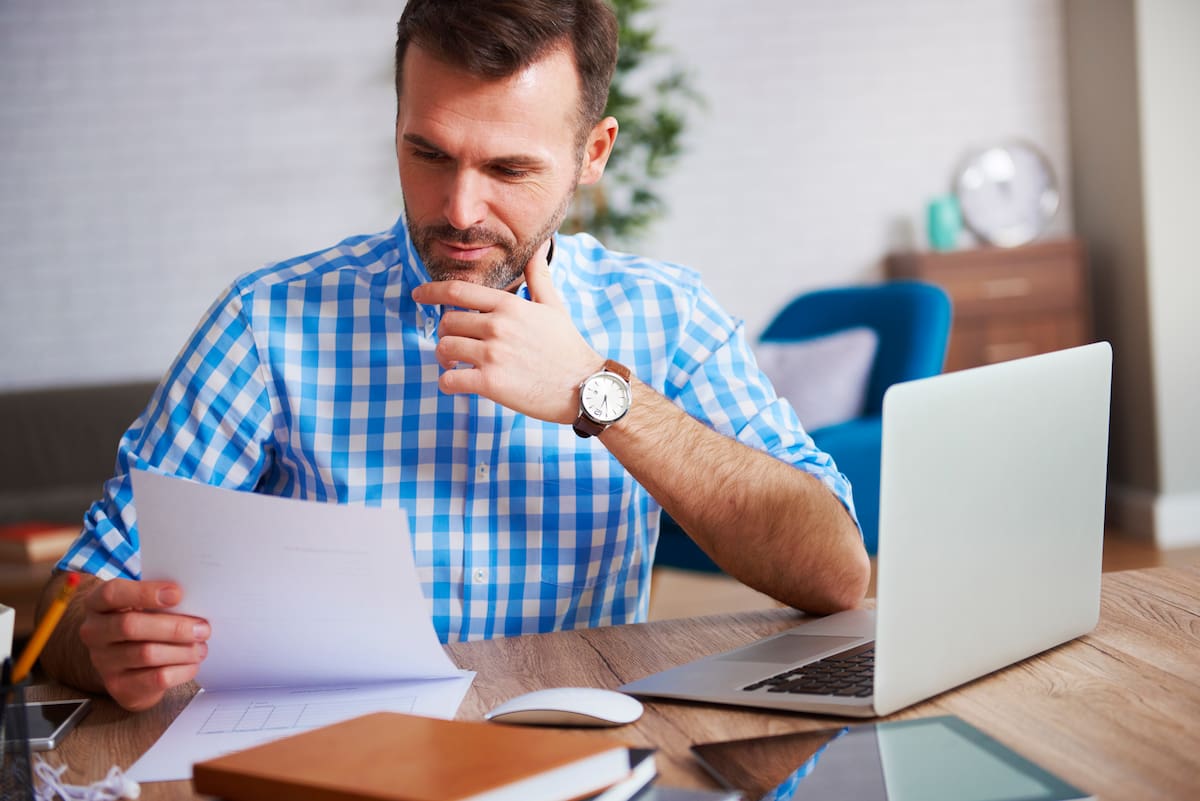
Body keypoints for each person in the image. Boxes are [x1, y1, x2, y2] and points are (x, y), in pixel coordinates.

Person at [37, 0, 870, 712]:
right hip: (334, 766)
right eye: (428, 153)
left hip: (577, 755)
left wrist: (595, 393)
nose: (459, 209)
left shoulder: (668, 314)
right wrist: (99, 641)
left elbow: (836, 572)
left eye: (509, 167)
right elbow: (74, 595)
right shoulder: (266, 323)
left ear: (595, 152)